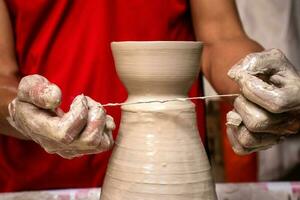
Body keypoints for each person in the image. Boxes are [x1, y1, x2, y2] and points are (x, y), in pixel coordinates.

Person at [0, 0, 299, 192]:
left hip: (176, 173)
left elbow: (222, 36)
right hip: (39, 180)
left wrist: (258, 83)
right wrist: (20, 111)